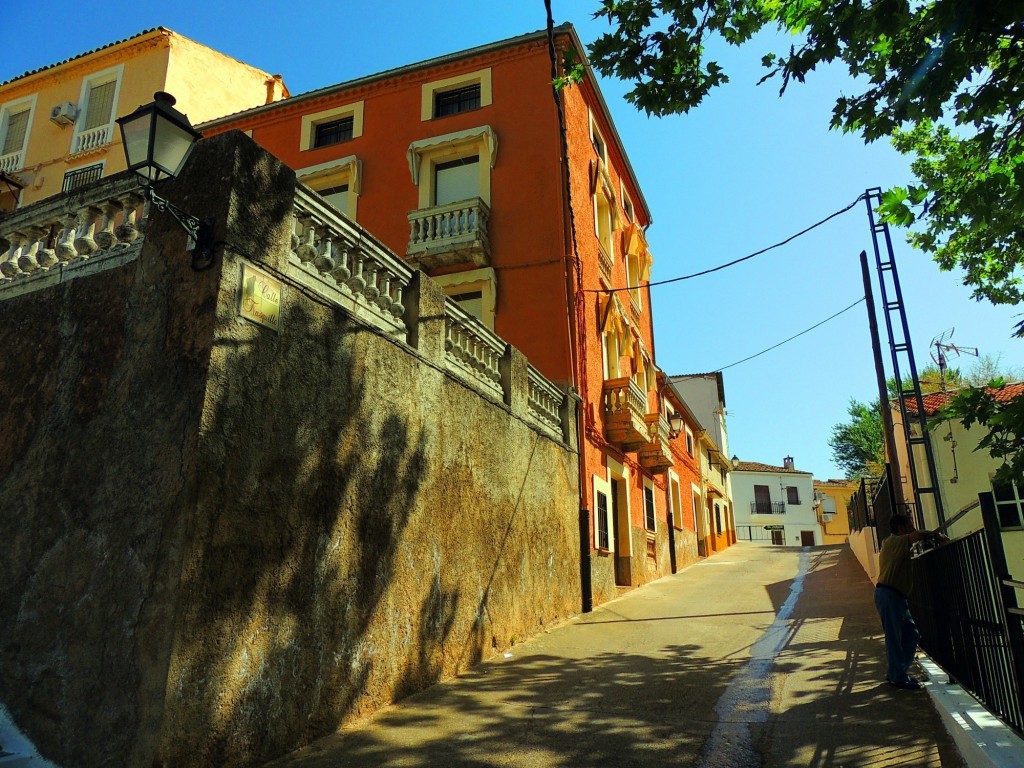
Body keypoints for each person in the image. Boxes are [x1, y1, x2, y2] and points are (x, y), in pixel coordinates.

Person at [874, 513, 945, 690]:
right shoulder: (893, 542)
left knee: (911, 634)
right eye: (909, 524)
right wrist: (936, 535)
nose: (913, 526)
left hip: (896, 596)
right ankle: (897, 677)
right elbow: (917, 535)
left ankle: (898, 673)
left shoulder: (895, 544)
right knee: (894, 637)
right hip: (889, 595)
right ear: (901, 528)